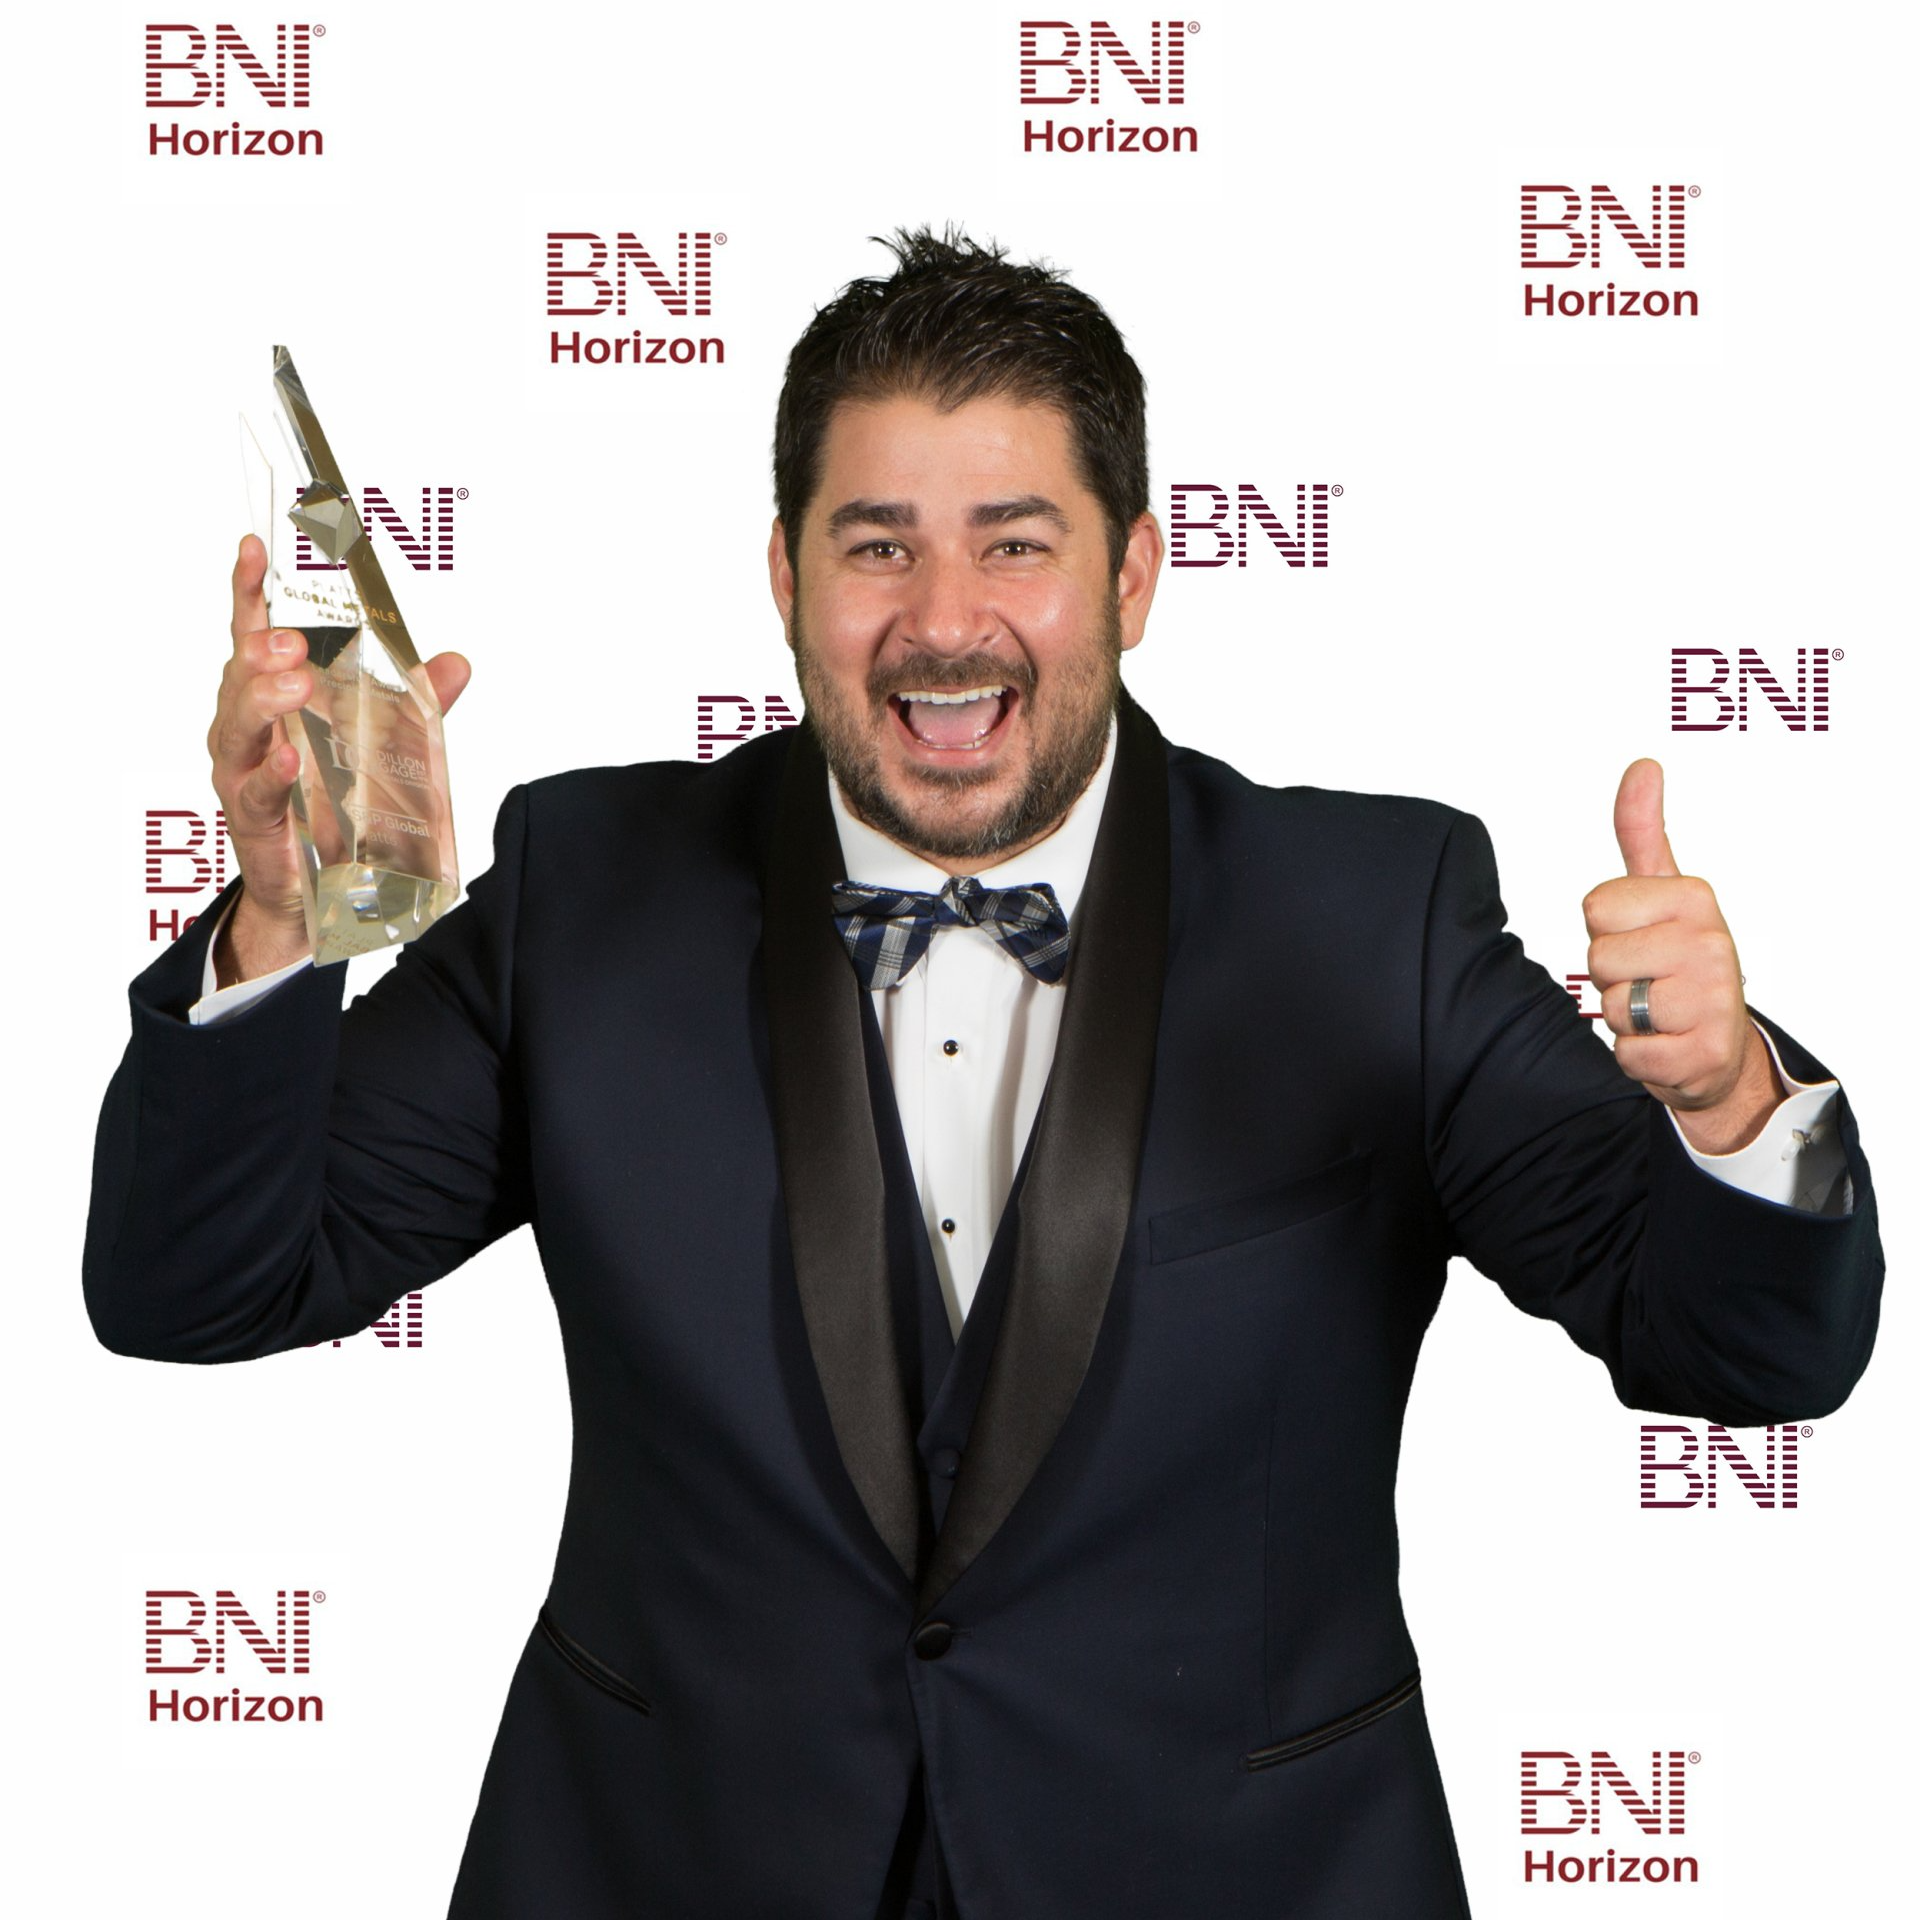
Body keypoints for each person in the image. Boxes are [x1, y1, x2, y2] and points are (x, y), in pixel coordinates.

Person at [85, 229, 1881, 1919]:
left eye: (1015, 541)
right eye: (876, 545)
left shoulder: (1376, 917)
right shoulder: (590, 891)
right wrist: (273, 924)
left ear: (1139, 570)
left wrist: (1727, 1108)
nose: (946, 621)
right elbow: (199, 1287)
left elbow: (1750, 1354)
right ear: (783, 576)